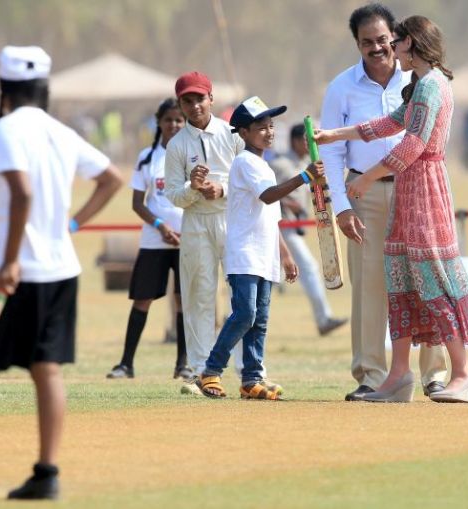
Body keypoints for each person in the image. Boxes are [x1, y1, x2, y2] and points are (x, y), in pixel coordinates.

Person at [0, 45, 122, 500]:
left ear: (4, 89)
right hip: (62, 270)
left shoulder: (6, 129)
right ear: (45, 88)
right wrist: (72, 224)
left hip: (19, 270)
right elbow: (112, 178)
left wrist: (10, 260)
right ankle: (46, 474)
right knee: (47, 370)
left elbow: (21, 194)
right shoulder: (60, 131)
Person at [316, 16, 468, 403]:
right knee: (400, 281)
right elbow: (387, 124)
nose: (392, 50)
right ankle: (398, 376)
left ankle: (462, 372)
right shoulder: (420, 86)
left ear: (411, 43)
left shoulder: (432, 87)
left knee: (433, 281)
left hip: (424, 189)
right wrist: (335, 135)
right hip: (409, 191)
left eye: (395, 41)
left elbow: (412, 144)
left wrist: (364, 179)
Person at [198, 96, 323, 400]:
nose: (268, 132)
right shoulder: (244, 162)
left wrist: (285, 254)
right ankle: (210, 371)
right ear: (243, 132)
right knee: (244, 314)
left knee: (260, 320)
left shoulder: (264, 165)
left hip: (265, 254)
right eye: (260, 127)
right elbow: (269, 196)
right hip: (244, 254)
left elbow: (272, 216)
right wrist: (305, 176)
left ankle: (252, 379)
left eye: (271, 126)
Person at [164, 71, 246, 395]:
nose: (195, 105)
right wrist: (193, 187)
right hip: (196, 223)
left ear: (211, 98)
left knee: (243, 296)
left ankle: (248, 371)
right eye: (188, 100)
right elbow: (173, 194)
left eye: (200, 98)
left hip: (231, 219)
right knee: (199, 296)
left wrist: (222, 189)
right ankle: (201, 371)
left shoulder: (233, 134)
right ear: (181, 104)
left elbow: (249, 180)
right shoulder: (177, 145)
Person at [106, 98, 191, 381]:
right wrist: (160, 226)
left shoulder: (195, 155)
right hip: (154, 241)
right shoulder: (147, 157)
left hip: (187, 241)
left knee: (184, 302)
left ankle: (183, 364)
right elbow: (138, 203)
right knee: (142, 299)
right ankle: (126, 364)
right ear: (159, 122)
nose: (174, 125)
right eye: (169, 120)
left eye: (179, 120)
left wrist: (185, 230)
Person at [269, 124, 348, 336]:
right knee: (308, 268)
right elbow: (267, 192)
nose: (311, 144)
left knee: (272, 276)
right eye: (307, 140)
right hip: (280, 227)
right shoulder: (281, 164)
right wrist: (287, 201)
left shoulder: (306, 163)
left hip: (292, 227)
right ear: (295, 141)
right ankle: (324, 319)